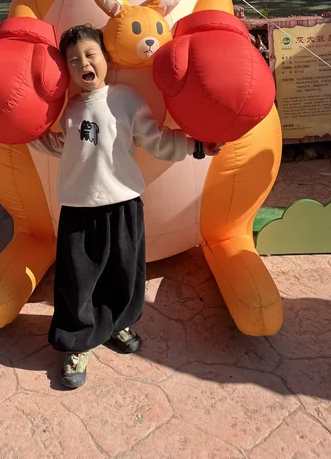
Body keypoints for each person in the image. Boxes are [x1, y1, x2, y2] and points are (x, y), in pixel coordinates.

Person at [30, 24, 221, 389]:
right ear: (66, 71)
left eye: (90, 54)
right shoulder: (69, 110)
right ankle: (77, 343)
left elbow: (158, 140)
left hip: (123, 203)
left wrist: (197, 146)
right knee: (77, 282)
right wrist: (25, 135)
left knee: (123, 273)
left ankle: (117, 324)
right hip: (78, 207)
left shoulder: (126, 99)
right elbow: (59, 148)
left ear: (105, 58)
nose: (83, 63)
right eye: (73, 60)